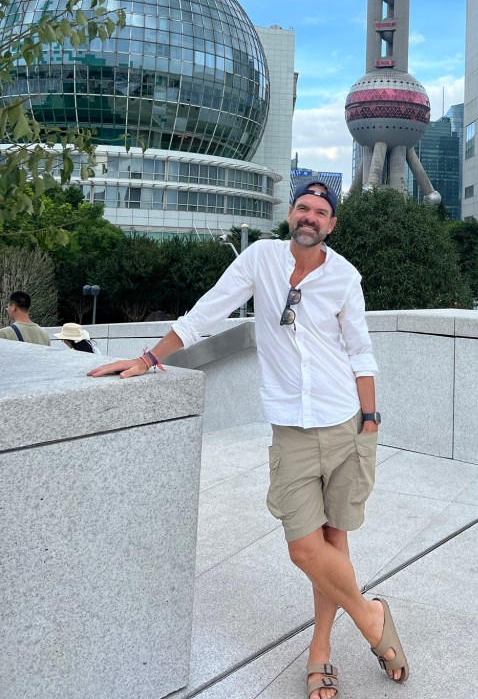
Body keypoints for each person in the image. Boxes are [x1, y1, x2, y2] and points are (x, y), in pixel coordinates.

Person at [89, 182, 408, 698]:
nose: (309, 217)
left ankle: (320, 650)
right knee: (304, 549)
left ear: (331, 225)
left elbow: (360, 351)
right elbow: (206, 313)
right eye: (303, 208)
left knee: (334, 542)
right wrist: (149, 358)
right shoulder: (261, 258)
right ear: (291, 214)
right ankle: (372, 617)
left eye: (320, 212)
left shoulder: (345, 277)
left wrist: (370, 421)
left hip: (346, 422)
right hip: (292, 430)